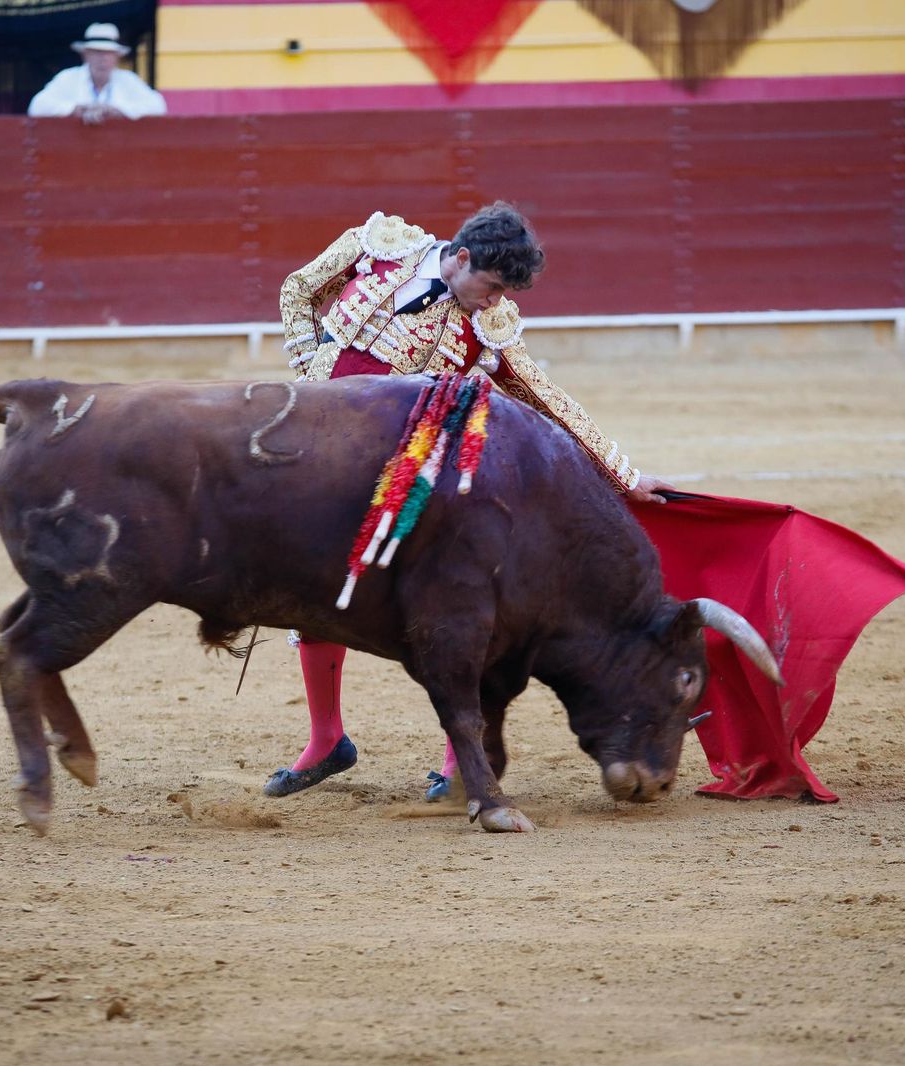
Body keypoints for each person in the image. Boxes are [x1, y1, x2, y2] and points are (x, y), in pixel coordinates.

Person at [268, 203, 676, 801]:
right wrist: (309, 372)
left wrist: (623, 473)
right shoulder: (380, 245)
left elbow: (543, 395)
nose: (493, 302)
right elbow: (299, 289)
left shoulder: (490, 326)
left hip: (415, 476)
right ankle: (327, 740)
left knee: (452, 606)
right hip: (328, 460)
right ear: (460, 258)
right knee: (317, 592)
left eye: (502, 293)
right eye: (491, 287)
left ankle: (461, 758)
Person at [27, 22, 166, 123]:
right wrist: (77, 109)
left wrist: (116, 110)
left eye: (108, 53)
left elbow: (158, 106)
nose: (102, 59)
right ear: (85, 55)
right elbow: (37, 106)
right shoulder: (68, 78)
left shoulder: (128, 80)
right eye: (97, 52)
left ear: (117, 57)